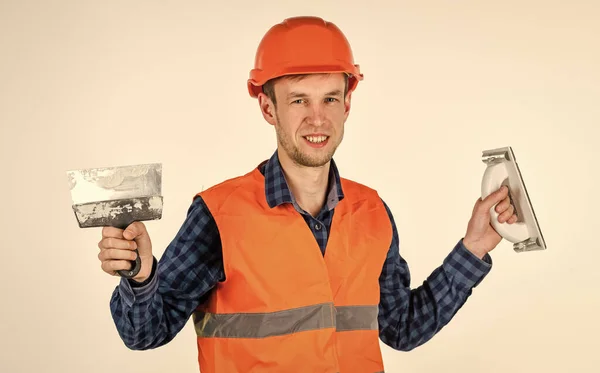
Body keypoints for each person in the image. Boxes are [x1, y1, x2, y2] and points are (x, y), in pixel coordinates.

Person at [97, 16, 517, 373]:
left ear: (347, 105)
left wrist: (476, 245)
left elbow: (403, 328)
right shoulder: (218, 216)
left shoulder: (372, 212)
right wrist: (140, 275)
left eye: (330, 98)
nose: (318, 118)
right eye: (299, 100)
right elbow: (145, 333)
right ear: (268, 109)